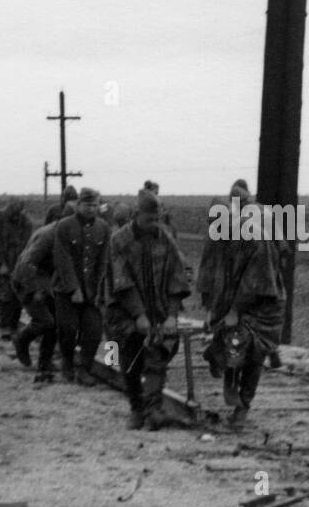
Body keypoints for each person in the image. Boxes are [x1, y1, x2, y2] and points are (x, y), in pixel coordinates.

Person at [199, 181, 286, 423]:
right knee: (230, 342)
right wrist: (213, 313)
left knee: (254, 352)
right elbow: (222, 281)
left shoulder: (254, 239)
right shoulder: (224, 240)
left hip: (266, 301)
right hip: (242, 299)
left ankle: (243, 406)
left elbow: (253, 283)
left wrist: (233, 311)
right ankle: (229, 379)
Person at [107, 188, 190, 430]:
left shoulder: (165, 239)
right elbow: (122, 283)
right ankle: (136, 409)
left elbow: (178, 277)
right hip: (124, 311)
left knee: (158, 355)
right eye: (148, 220)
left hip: (158, 310)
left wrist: (172, 316)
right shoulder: (119, 241)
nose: (153, 224)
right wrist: (139, 315)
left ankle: (153, 410)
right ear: (135, 216)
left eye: (157, 219)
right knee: (130, 360)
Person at [52, 187, 109, 385]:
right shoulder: (65, 226)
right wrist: (74, 288)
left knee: (94, 331)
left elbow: (103, 260)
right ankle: (67, 363)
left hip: (91, 291)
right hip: (66, 290)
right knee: (68, 329)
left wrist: (98, 288)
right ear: (78, 205)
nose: (91, 209)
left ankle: (85, 369)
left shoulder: (103, 227)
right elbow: (62, 259)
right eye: (87, 205)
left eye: (95, 205)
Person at [11, 221, 59, 382]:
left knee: (55, 323)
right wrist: (35, 290)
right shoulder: (48, 235)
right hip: (27, 280)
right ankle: (21, 340)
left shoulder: (65, 233)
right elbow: (28, 262)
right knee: (45, 321)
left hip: (46, 280)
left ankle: (45, 363)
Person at [0, 198, 34, 340]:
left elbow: (29, 243)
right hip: (4, 260)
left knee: (18, 295)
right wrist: (1, 263)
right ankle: (5, 326)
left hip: (20, 261)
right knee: (5, 295)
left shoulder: (25, 221)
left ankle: (14, 326)